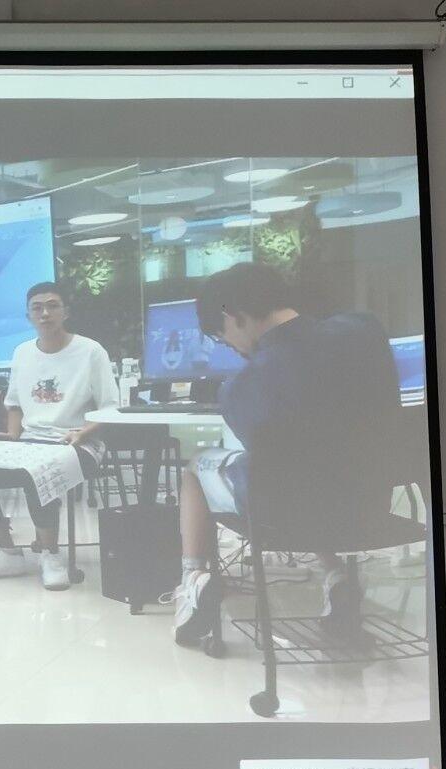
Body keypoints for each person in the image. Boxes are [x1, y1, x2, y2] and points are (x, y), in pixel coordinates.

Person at [169, 262, 398, 647]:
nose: (232, 347)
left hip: (289, 520)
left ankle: (193, 581)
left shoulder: (242, 387)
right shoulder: (365, 329)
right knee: (316, 471)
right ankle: (336, 575)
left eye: (223, 337)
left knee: (197, 466)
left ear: (234, 317)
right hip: (372, 507)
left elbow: (267, 459)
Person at [0, 281, 118, 591]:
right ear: (28, 315)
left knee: (37, 470)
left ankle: (50, 554)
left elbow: (110, 409)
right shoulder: (23, 352)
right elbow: (15, 404)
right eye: (37, 308)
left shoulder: (90, 351)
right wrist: (12, 435)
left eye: (53, 306)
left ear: (65, 312)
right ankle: (6, 552)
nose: (45, 313)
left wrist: (83, 432)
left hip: (80, 442)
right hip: (31, 441)